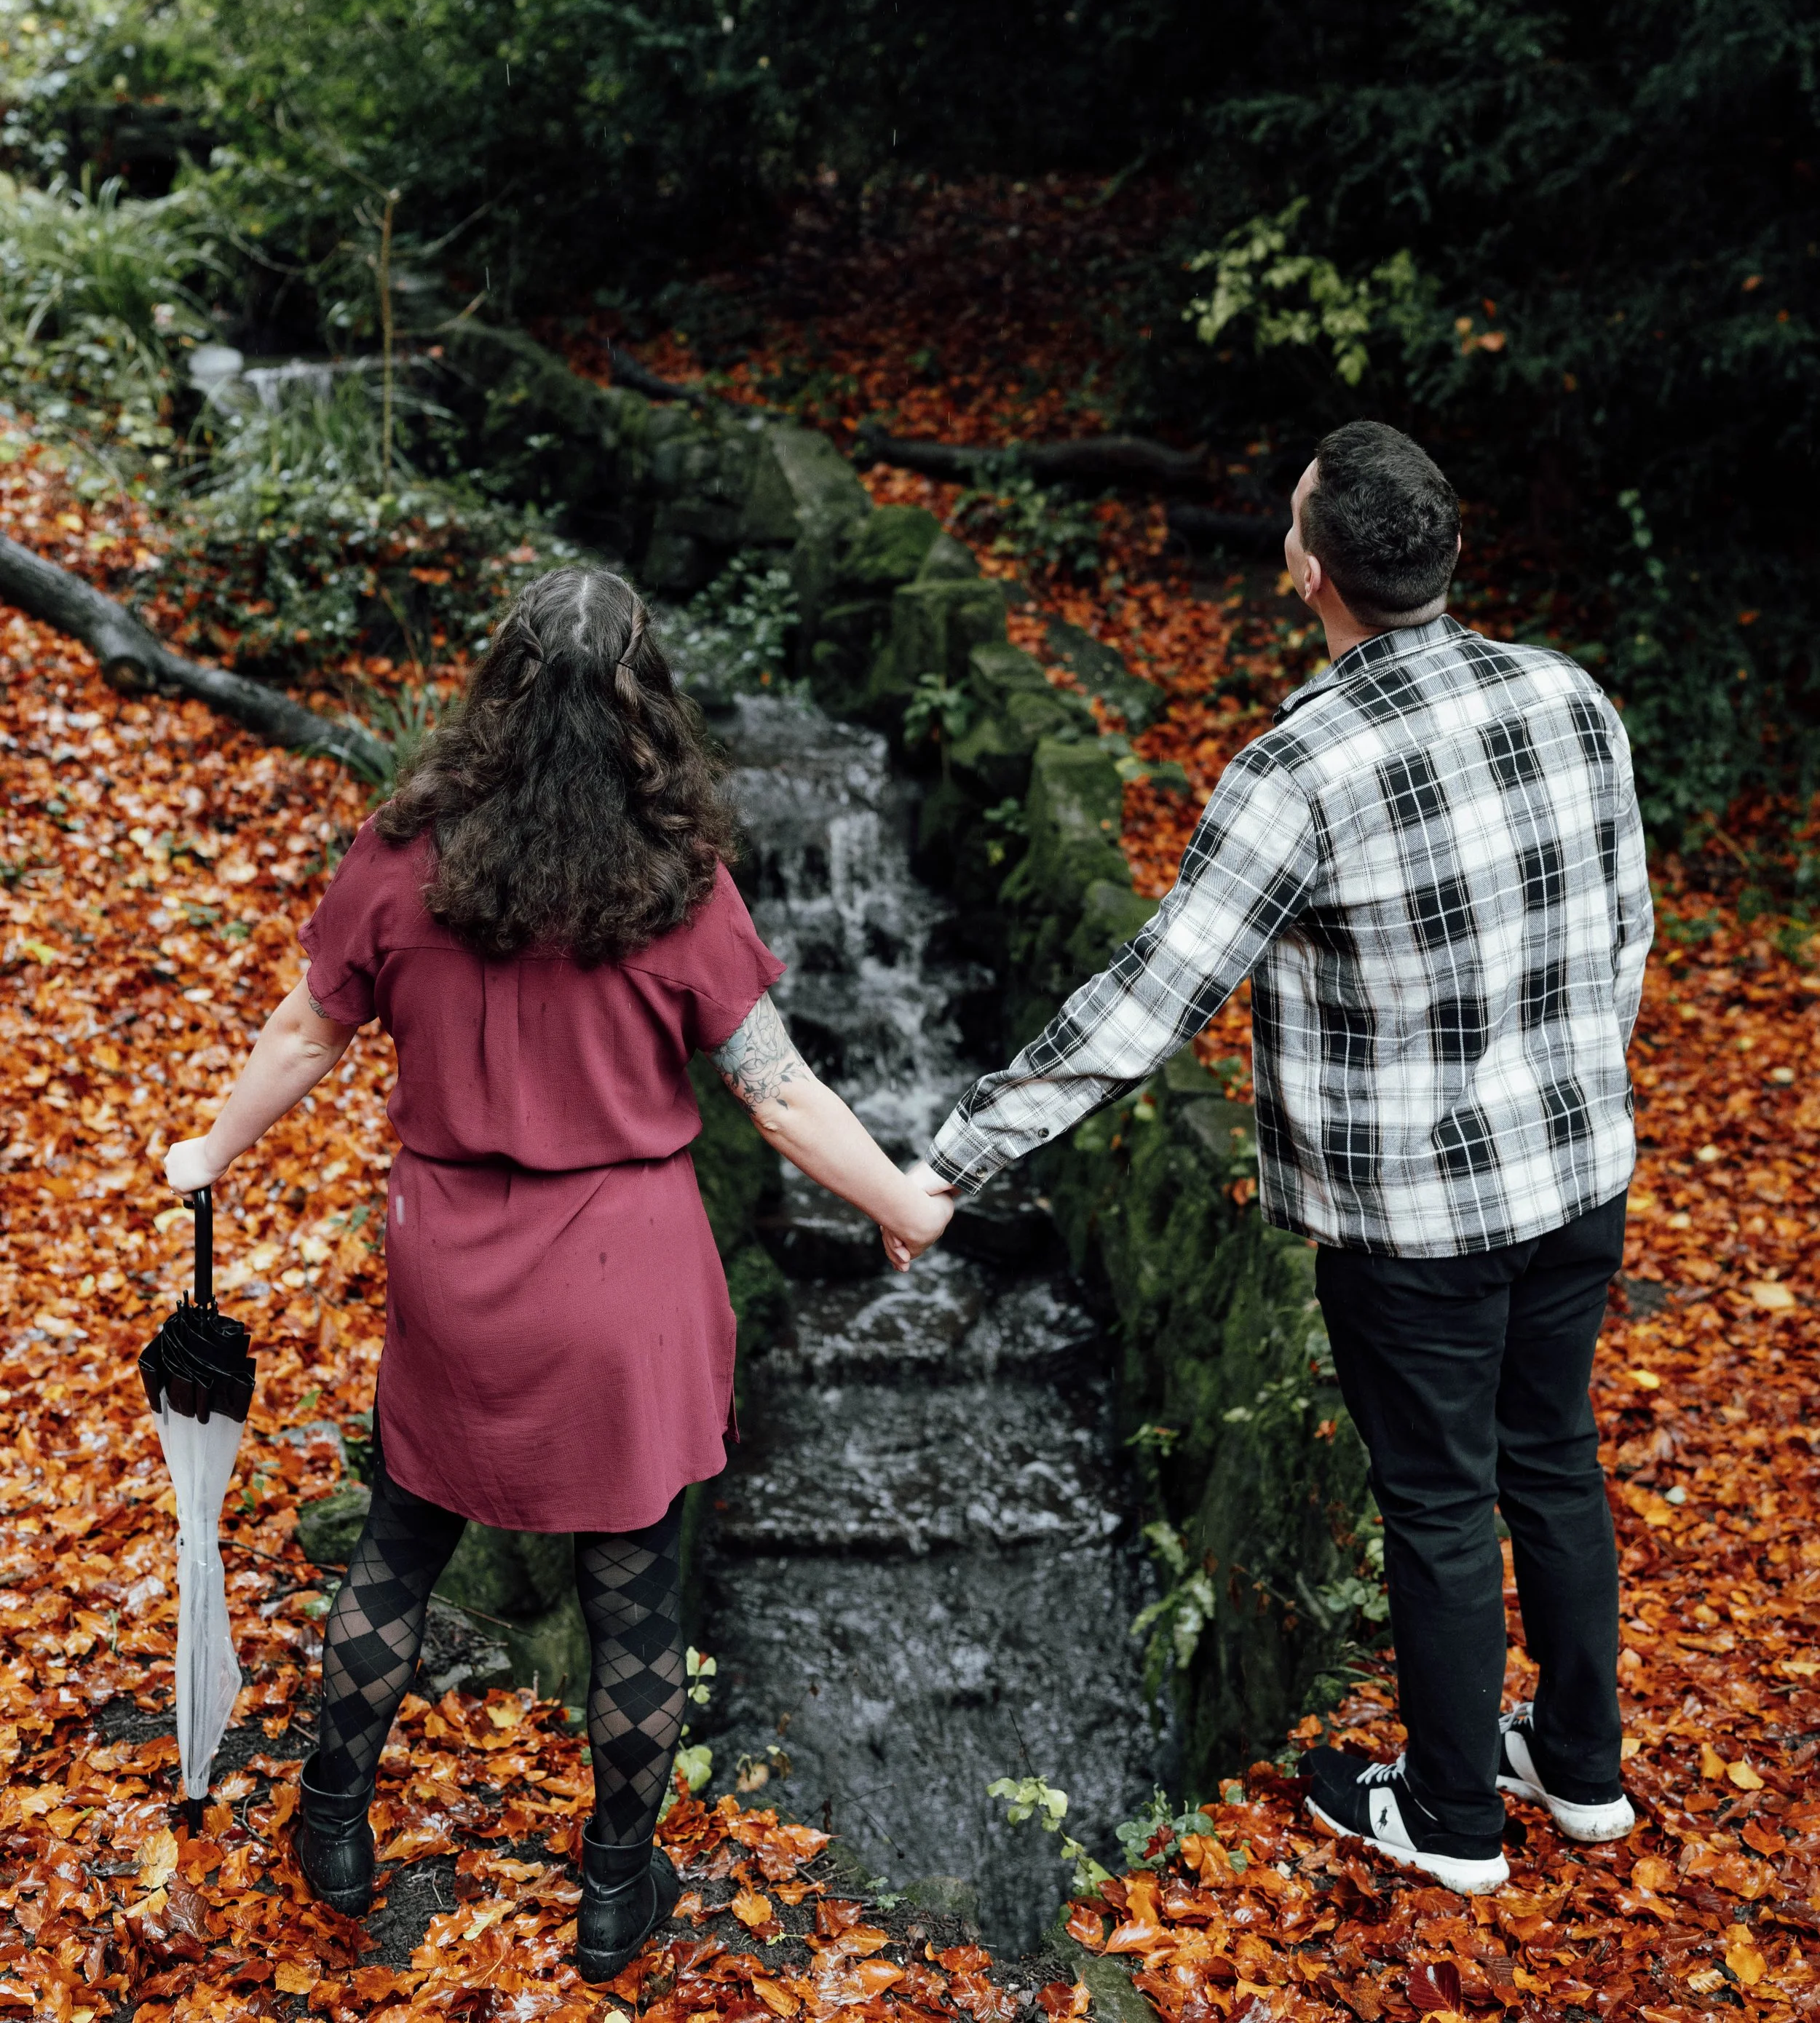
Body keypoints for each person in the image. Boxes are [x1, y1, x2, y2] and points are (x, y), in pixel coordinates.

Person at [165, 568, 954, 1978]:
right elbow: (774, 1096)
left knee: (399, 1548)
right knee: (632, 1598)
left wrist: (206, 1150)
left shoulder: (402, 861)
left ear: (495, 692)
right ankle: (611, 1890)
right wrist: (900, 1201)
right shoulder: (673, 884)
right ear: (641, 706)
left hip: (454, 1273)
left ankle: (333, 1820)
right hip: (624, 1287)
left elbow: (302, 1033)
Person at [911, 419, 1651, 1895]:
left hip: (1418, 1223)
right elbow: (1620, 928)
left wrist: (957, 1154)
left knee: (1438, 1501)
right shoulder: (1569, 696)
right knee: (1551, 1461)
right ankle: (1578, 1772)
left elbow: (1148, 1001)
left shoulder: (1296, 764)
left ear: (1302, 568)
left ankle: (1447, 1817)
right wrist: (1571, 1086)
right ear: (1448, 554)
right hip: (1573, 1176)